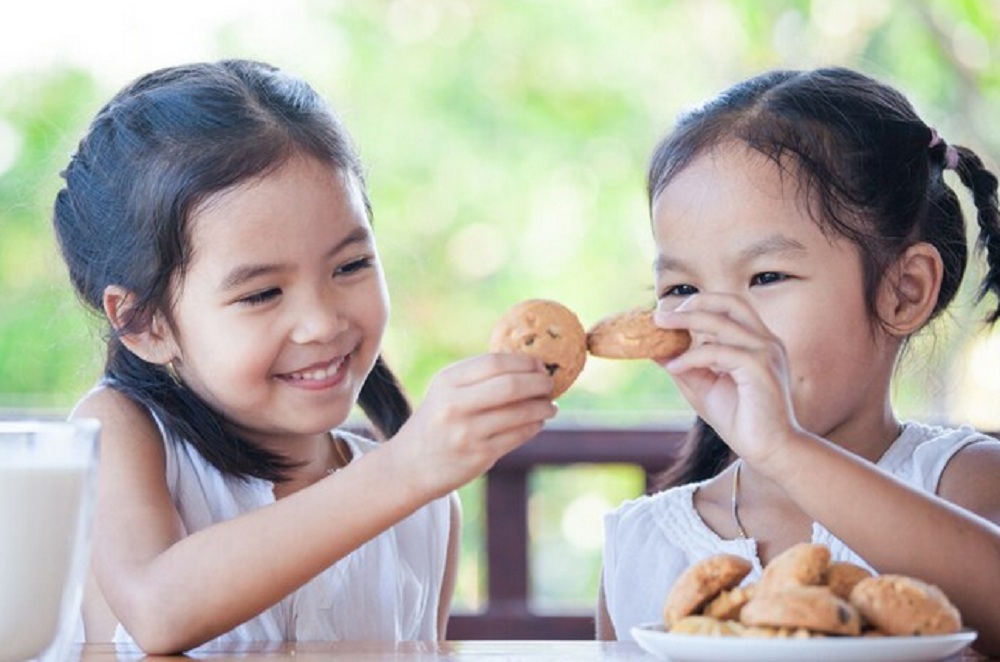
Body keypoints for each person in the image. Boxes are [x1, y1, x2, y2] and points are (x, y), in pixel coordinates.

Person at [53, 59, 557, 654]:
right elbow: (157, 610)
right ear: (143, 321)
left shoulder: (425, 511)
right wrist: (405, 469)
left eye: (351, 266)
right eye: (262, 293)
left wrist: (413, 478)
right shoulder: (118, 431)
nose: (322, 323)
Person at [597, 67, 1000, 652]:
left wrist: (782, 448)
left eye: (765, 276)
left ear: (904, 291)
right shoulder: (643, 544)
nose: (719, 323)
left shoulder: (965, 482)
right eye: (682, 290)